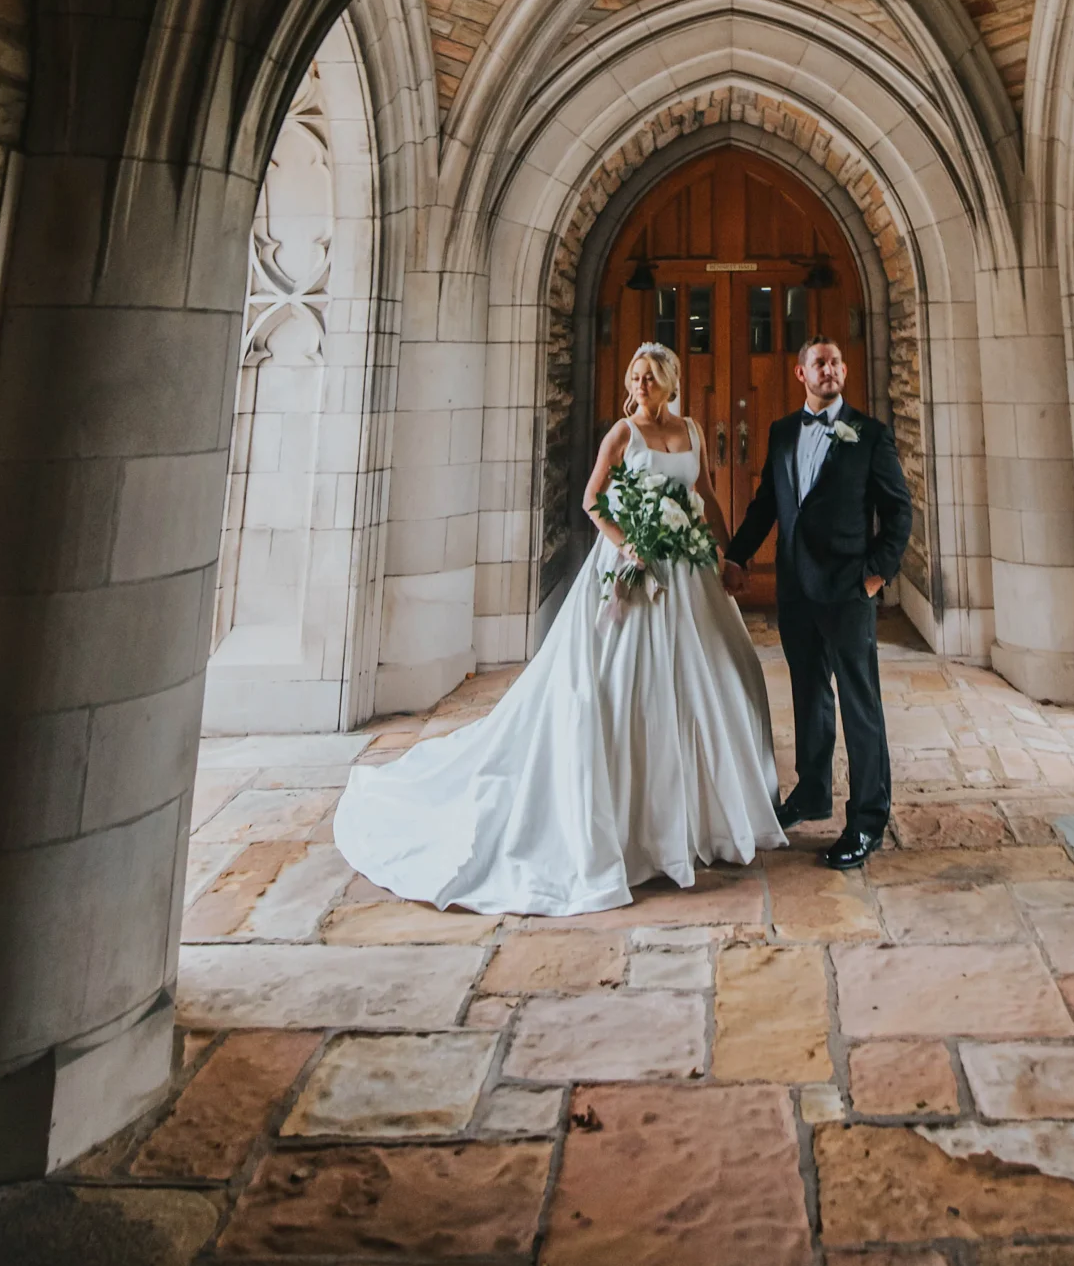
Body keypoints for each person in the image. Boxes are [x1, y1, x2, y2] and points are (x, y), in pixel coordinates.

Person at [333, 342, 784, 913]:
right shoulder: (622, 435)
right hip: (633, 568)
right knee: (626, 687)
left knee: (720, 673)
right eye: (635, 375)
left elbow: (707, 497)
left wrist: (728, 556)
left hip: (688, 570)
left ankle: (708, 810)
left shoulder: (691, 429)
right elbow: (593, 502)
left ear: (671, 382)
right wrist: (632, 548)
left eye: (651, 376)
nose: (641, 383)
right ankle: (638, 822)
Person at [722, 337, 912, 870]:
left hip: (850, 589)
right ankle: (810, 791)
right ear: (800, 372)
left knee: (860, 703)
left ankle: (867, 820)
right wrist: (736, 557)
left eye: (835, 362)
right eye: (818, 363)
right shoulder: (783, 432)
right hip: (796, 589)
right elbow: (767, 504)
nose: (828, 369)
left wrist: (875, 576)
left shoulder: (870, 435)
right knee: (808, 693)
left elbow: (899, 514)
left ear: (844, 372)